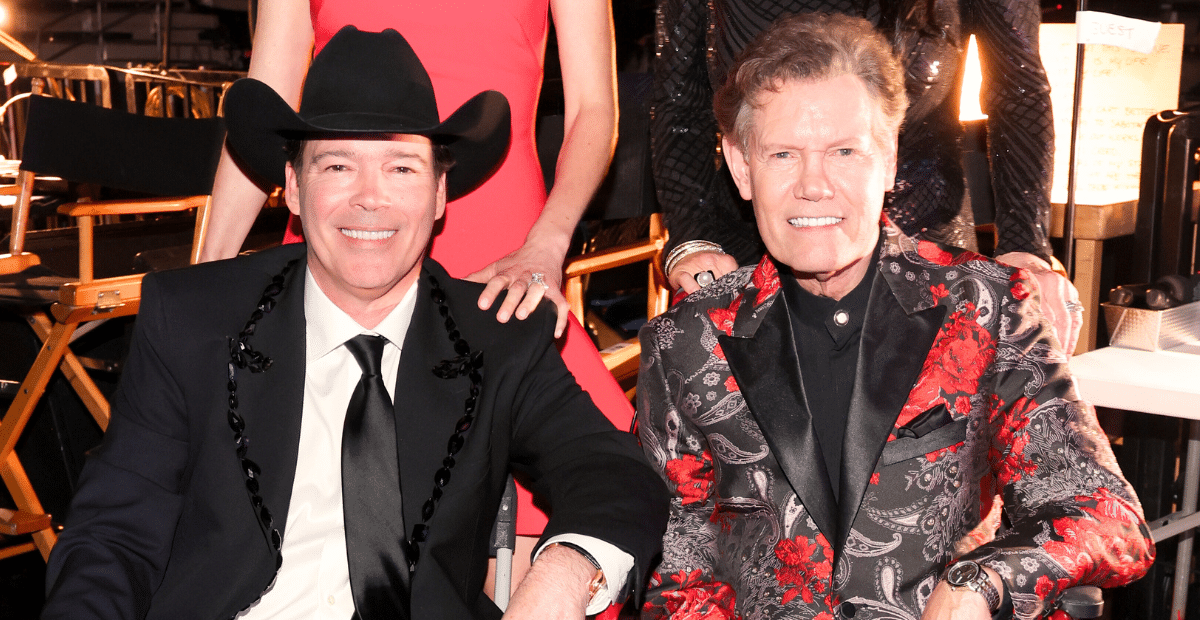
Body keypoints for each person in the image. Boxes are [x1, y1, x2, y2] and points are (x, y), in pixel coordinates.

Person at [42, 27, 668, 620]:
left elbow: (613, 472)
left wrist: (562, 570)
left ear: (441, 193)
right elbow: (114, 535)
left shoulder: (495, 335)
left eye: (401, 168)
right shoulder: (194, 318)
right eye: (338, 165)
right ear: (291, 183)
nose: (371, 197)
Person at [636, 13, 1153, 619]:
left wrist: (981, 583)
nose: (814, 184)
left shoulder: (987, 308)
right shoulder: (687, 340)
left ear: (889, 158)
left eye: (844, 151)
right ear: (741, 166)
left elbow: (1103, 514)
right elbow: (679, 570)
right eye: (782, 154)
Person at [201, 0, 632, 586]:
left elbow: (592, 108)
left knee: (528, 546)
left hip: (499, 254)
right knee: (307, 531)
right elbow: (265, 104)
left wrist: (546, 246)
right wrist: (207, 279)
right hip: (343, 239)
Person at [651, 0, 1084, 355]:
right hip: (756, 247)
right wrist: (693, 237)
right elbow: (679, 105)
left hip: (927, 253)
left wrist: (1025, 248)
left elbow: (1018, 88)